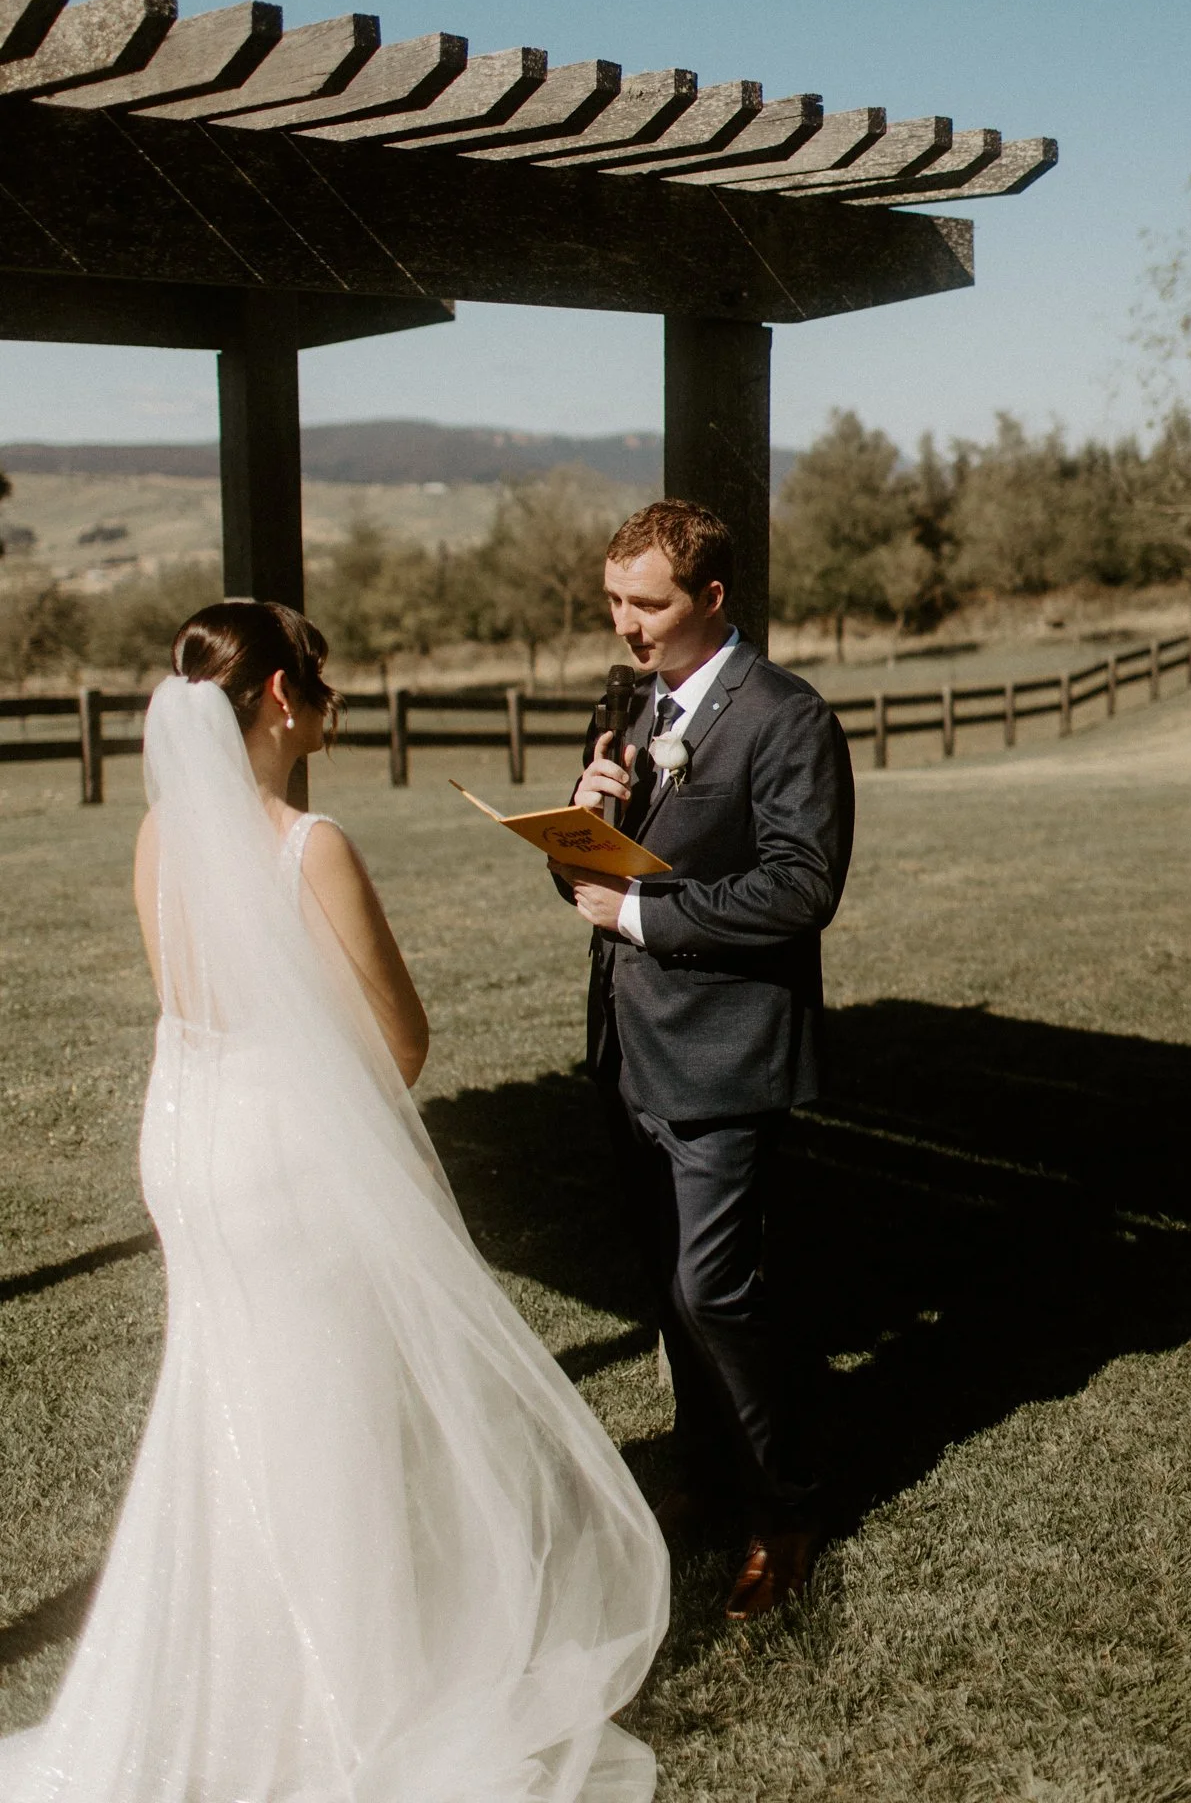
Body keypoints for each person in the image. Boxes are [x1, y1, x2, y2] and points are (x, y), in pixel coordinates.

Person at [0, 599, 667, 1803]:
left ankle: (233, 1675)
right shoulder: (311, 845)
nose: (324, 697)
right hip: (282, 1154)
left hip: (191, 1140)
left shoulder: (160, 836)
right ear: (273, 702)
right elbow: (399, 1042)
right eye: (314, 678)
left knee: (229, 1396)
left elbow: (195, 1001)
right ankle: (349, 1701)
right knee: (328, 1406)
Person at [552, 501, 855, 1621]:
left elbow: (799, 886)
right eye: (614, 601)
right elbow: (594, 883)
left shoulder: (786, 718)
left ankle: (787, 1505)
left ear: (712, 599)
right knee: (670, 1293)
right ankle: (707, 1465)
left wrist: (643, 915)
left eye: (649, 604)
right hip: (628, 1047)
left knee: (714, 1286)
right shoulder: (628, 704)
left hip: (725, 1051)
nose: (626, 626)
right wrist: (582, 822)